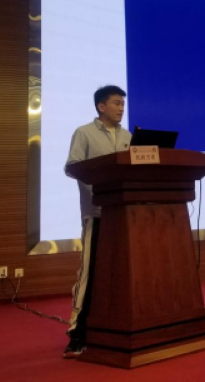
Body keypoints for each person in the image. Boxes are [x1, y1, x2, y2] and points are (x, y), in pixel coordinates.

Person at [62, 84, 132, 359]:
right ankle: (77, 334)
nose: (121, 108)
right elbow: (72, 167)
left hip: (124, 215)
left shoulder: (127, 136)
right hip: (97, 212)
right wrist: (98, 185)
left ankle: (112, 327)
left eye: (122, 103)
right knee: (89, 273)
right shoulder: (84, 133)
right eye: (116, 103)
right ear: (101, 106)